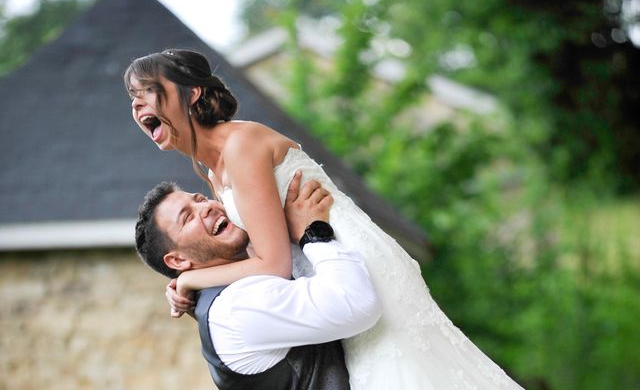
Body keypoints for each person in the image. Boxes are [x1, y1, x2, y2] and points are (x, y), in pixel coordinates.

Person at [124, 48, 525, 389]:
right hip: (325, 270)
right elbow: (247, 252)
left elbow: (273, 264)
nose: (137, 105)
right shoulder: (213, 172)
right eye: (132, 99)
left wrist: (190, 279)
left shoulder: (242, 145)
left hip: (353, 262)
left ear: (191, 94)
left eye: (146, 92)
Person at [134, 172, 382, 389]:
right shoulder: (236, 305)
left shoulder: (255, 258)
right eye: (187, 218)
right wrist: (314, 232)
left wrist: (189, 280)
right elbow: (357, 301)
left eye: (199, 199)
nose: (205, 207)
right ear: (178, 262)